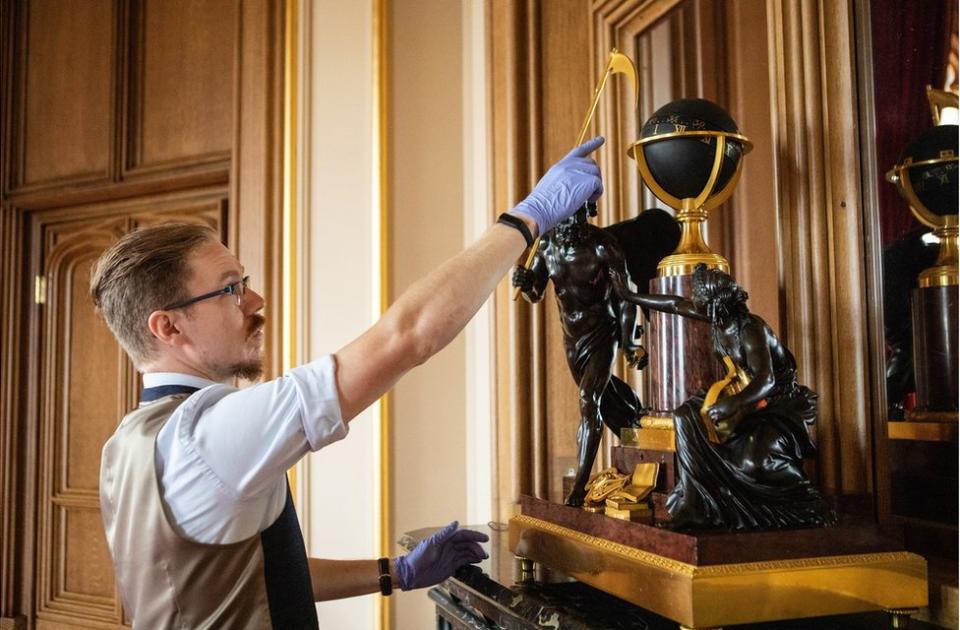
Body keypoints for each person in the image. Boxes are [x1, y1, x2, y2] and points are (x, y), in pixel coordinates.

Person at [90, 137, 607, 628]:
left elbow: (260, 581)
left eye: (243, 283)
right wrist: (527, 218)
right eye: (230, 289)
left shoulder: (129, 445)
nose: (255, 301)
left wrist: (395, 572)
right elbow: (407, 338)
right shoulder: (206, 434)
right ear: (169, 326)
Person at [610, 263, 835, 530]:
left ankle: (807, 502)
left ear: (718, 304)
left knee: (754, 462)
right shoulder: (718, 318)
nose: (696, 305)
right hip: (741, 395)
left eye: (702, 302)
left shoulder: (750, 329)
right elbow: (673, 303)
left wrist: (732, 404)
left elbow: (767, 379)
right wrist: (629, 296)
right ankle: (696, 504)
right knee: (686, 416)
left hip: (776, 404)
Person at [511, 206, 679, 506]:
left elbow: (625, 299)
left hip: (603, 333)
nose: (571, 222)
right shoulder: (547, 245)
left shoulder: (603, 245)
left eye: (578, 214)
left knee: (589, 400)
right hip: (572, 340)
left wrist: (629, 343)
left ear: (587, 211)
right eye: (565, 215)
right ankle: (636, 425)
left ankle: (578, 489)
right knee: (606, 396)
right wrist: (524, 282)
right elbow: (534, 292)